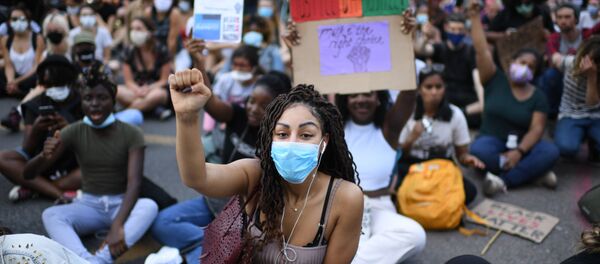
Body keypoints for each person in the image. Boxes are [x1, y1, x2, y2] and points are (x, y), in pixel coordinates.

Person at [169, 68, 363, 262]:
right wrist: (186, 117)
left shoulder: (346, 198)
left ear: (324, 141)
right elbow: (197, 177)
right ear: (271, 139)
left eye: (305, 135)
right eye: (282, 134)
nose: (292, 143)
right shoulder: (255, 174)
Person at [151, 40, 292, 261]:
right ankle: (208, 242)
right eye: (251, 101)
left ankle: (209, 247)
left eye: (263, 106)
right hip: (216, 200)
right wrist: (199, 62)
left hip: (245, 216)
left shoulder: (284, 139)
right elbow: (209, 100)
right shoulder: (237, 115)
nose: (253, 109)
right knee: (162, 223)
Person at [24, 69, 159, 263]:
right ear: (82, 101)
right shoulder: (74, 130)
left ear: (113, 101)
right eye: (88, 98)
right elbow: (28, 174)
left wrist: (117, 227)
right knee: (51, 215)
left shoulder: (131, 133)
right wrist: (43, 156)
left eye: (102, 97)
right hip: (89, 205)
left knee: (149, 206)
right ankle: (86, 260)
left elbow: (134, 184)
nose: (94, 104)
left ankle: (99, 260)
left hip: (120, 204)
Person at [467, 1, 560, 196]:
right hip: (492, 141)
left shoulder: (538, 96)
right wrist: (475, 18)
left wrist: (519, 152)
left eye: (531, 66)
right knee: (478, 150)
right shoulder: (493, 79)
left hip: (522, 146)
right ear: (511, 62)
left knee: (550, 152)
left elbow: (536, 129)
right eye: (522, 62)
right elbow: (481, 51)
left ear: (535, 72)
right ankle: (532, 173)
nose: (525, 67)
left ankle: (501, 179)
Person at [335, 89, 427, 263]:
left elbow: (408, 94)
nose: (361, 99)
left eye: (368, 94)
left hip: (378, 208)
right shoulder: (335, 128)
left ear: (378, 98)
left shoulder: (389, 129)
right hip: (343, 207)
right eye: (354, 94)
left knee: (416, 235)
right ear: (345, 100)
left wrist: (406, 64)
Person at [396, 66, 484, 204]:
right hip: (413, 165)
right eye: (428, 87)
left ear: (445, 88)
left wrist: (468, 159)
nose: (434, 92)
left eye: (439, 87)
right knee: (395, 186)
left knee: (469, 192)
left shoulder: (455, 115)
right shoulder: (409, 113)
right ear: (419, 89)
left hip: (441, 166)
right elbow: (399, 154)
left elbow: (461, 155)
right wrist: (412, 137)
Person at [0, 55, 82, 203]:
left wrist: (70, 128)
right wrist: (36, 129)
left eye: (59, 76)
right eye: (49, 76)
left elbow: (94, 140)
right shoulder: (34, 104)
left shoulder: (82, 101)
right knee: (3, 158)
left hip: (75, 160)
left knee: (101, 168)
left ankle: (36, 188)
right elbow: (27, 150)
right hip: (40, 161)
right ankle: (58, 194)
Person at [415, 13, 484, 128]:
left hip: (466, 100)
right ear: (446, 28)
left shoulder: (470, 51)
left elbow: (478, 83)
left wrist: (478, 105)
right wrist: (426, 37)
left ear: (465, 31)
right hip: (443, 97)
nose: (456, 33)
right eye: (453, 29)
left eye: (459, 29)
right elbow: (421, 50)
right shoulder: (439, 48)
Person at [541, 3, 600, 118]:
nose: (563, 21)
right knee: (549, 75)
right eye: (560, 17)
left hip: (588, 73)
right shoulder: (554, 38)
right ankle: (553, 113)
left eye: (568, 17)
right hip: (565, 75)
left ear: (576, 19)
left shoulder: (586, 34)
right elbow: (555, 60)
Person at [553, 36, 600, 162]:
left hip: (596, 115)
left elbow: (592, 103)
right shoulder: (570, 63)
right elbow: (556, 59)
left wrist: (592, 77)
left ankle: (593, 144)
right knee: (567, 148)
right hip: (571, 114)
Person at [116, 17, 170, 116]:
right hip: (136, 91)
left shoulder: (161, 50)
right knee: (117, 90)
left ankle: (124, 115)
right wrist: (137, 90)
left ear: (149, 32)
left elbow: (164, 80)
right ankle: (151, 108)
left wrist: (148, 89)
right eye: (132, 29)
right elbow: (129, 81)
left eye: (139, 29)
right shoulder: (129, 51)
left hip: (155, 90)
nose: (134, 32)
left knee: (158, 95)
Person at [0, 5, 45, 98]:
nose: (18, 22)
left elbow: (36, 66)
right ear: (9, 22)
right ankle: (11, 89)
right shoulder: (5, 40)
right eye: (14, 19)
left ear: (28, 21)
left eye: (22, 19)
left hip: (30, 77)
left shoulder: (37, 38)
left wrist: (17, 81)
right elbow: (8, 65)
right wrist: (10, 81)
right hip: (14, 76)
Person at [220, 15, 285, 74]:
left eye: (256, 31)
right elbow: (224, 73)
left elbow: (278, 74)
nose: (252, 34)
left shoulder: (272, 51)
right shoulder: (238, 50)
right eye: (250, 31)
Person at [486, 0, 555, 42]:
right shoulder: (506, 14)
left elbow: (553, 33)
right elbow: (487, 34)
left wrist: (547, 34)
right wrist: (504, 35)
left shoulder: (542, 11)